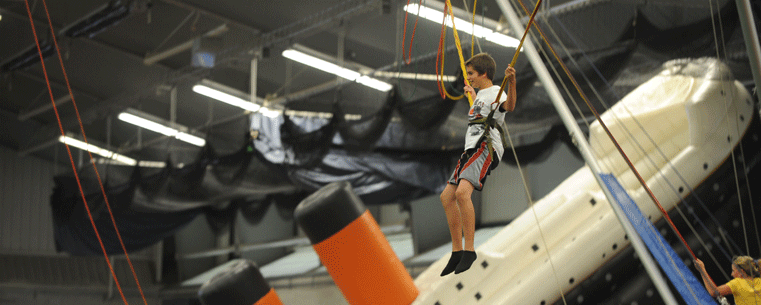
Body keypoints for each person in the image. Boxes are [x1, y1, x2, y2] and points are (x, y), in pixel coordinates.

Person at [439, 53, 517, 276]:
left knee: (463, 194)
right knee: (447, 197)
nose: (468, 77)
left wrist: (511, 82)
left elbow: (508, 107)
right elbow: (481, 111)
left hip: (486, 146)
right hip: (471, 148)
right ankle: (457, 250)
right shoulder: (482, 96)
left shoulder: (496, 92)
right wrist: (473, 96)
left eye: (471, 74)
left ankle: (470, 250)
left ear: (483, 73)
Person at [695, 256, 761, 305]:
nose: (731, 274)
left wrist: (702, 270)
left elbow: (713, 292)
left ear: (741, 272)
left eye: (733, 271)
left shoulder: (737, 283)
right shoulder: (759, 281)